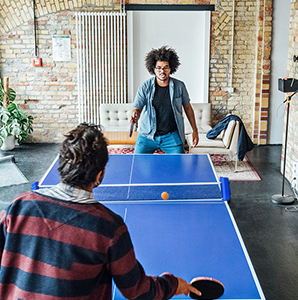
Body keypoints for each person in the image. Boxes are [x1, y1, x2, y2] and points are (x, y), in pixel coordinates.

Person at [0, 123, 201, 299]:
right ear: (100, 175)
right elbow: (137, 290)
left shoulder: (18, 206)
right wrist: (174, 285)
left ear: (60, 165)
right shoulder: (108, 227)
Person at [131, 45, 199, 154]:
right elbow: (137, 108)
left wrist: (195, 130)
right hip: (147, 136)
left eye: (166, 67)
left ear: (170, 69)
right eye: (159, 67)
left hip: (171, 136)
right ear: (154, 69)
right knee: (137, 166)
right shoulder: (145, 86)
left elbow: (187, 107)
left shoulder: (180, 86)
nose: (162, 71)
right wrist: (135, 114)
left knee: (178, 167)